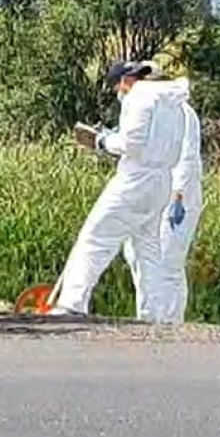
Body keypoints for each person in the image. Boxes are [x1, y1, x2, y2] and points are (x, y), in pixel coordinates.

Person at [49, 60, 190, 323]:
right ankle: (156, 315)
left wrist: (102, 140)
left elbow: (131, 144)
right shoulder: (174, 103)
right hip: (161, 181)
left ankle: (72, 303)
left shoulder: (138, 97)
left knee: (95, 237)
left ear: (123, 82)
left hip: (135, 179)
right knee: (148, 248)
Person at [123, 67, 203, 324]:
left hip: (178, 197)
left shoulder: (182, 113)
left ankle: (170, 322)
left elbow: (187, 160)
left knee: (168, 260)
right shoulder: (153, 111)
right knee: (138, 254)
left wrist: (178, 197)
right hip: (153, 194)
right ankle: (149, 317)